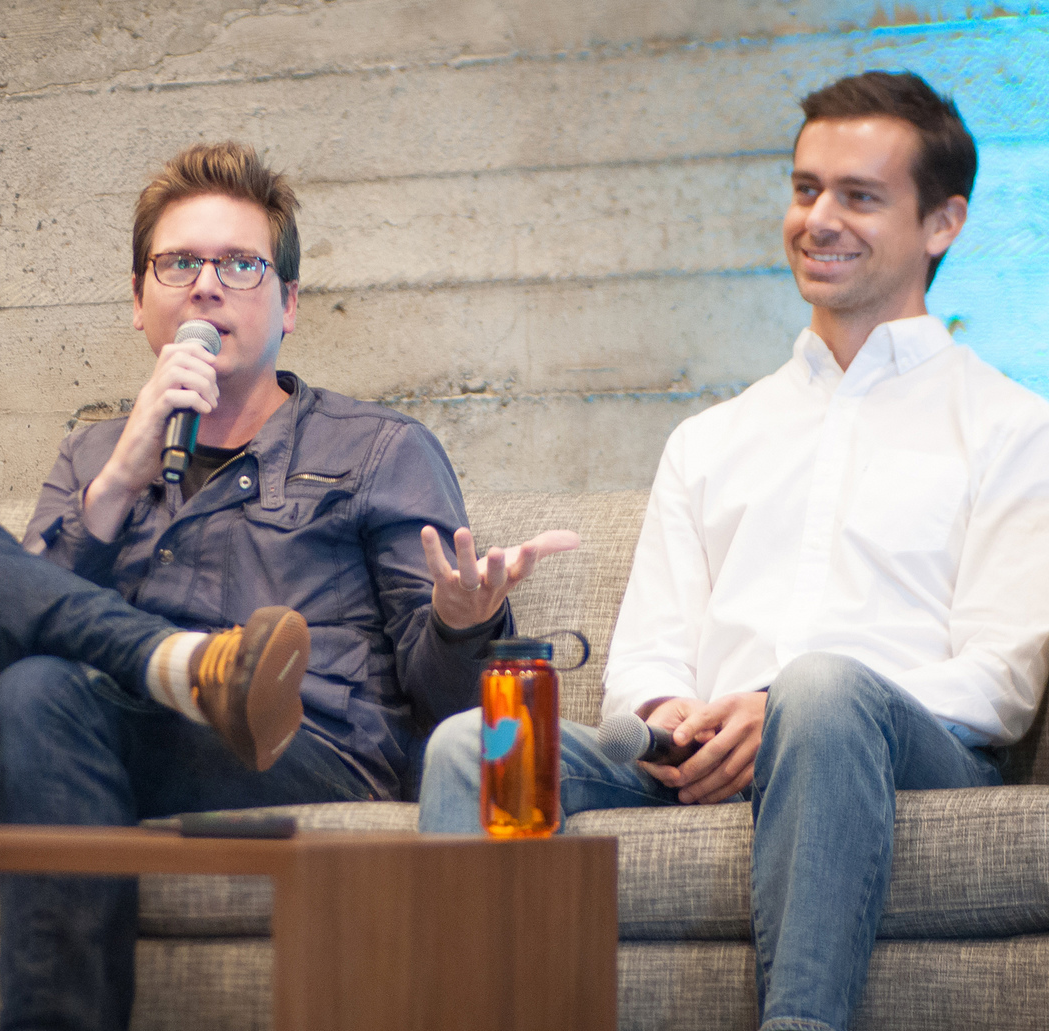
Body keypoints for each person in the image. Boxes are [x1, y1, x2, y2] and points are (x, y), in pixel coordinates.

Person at [0, 140, 577, 1030]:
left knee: (41, 692)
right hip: (80, 737)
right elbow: (13, 619)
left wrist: (463, 621)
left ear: (287, 302)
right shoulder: (93, 453)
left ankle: (189, 674)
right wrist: (122, 477)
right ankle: (180, 661)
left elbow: (445, 717)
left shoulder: (377, 450)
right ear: (139, 302)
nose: (206, 285)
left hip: (297, 757)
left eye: (239, 264)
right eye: (178, 264)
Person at [417, 70, 1049, 1031]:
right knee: (478, 744)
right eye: (805, 190)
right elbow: (647, 658)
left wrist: (789, 706)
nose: (819, 218)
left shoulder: (1011, 427)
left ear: (943, 223)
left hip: (894, 750)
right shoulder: (713, 438)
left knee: (823, 688)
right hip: (694, 754)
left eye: (860, 196)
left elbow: (1001, 679)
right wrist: (684, 721)